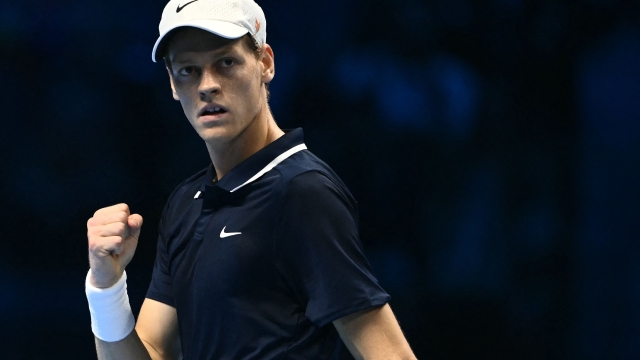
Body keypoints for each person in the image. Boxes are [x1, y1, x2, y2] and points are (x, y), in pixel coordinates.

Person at [85, 0, 417, 358]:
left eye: (226, 62)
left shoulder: (303, 192)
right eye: (188, 70)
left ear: (265, 63)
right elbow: (151, 350)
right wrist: (106, 288)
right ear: (171, 83)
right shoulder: (185, 202)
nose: (207, 85)